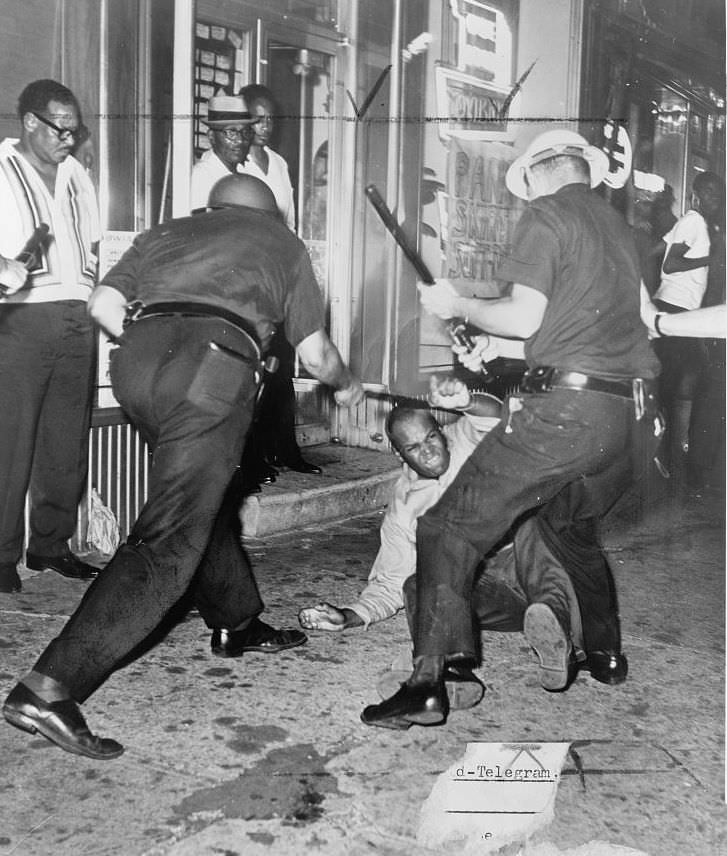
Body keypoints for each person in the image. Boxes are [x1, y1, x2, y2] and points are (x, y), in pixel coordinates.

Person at [2, 174, 364, 760]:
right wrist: (348, 389)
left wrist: (160, 349)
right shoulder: (283, 244)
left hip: (135, 365)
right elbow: (318, 354)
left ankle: (236, 620)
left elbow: (102, 304)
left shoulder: (165, 232)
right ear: (270, 216)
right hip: (212, 371)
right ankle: (50, 688)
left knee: (200, 497)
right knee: (171, 536)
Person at [360, 128, 661, 729]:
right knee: (568, 526)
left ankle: (431, 680)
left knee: (445, 526)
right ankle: (604, 654)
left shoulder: (547, 215)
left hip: (564, 415)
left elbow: (526, 314)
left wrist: (459, 305)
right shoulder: (619, 229)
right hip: (620, 420)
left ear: (544, 172)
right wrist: (491, 345)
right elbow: (620, 325)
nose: (525, 196)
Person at [300, 376, 627, 700]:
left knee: (532, 521)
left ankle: (555, 627)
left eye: (430, 438)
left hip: (535, 568)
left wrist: (467, 401)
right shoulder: (402, 508)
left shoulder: (469, 440)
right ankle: (455, 671)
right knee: (419, 583)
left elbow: (494, 415)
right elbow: (391, 582)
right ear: (399, 455)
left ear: (442, 432)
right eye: (413, 448)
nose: (428, 452)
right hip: (500, 598)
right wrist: (348, 615)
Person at [0, 79, 101, 594]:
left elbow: (94, 246)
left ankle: (50, 546)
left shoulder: (77, 174)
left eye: (74, 128)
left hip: (77, 317)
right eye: (59, 128)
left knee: (65, 442)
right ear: (30, 122)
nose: (68, 137)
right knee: (10, 443)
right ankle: (0, 557)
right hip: (19, 319)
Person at [238, 83, 322, 478]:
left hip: (281, 274)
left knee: (283, 369)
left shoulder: (279, 163)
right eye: (257, 117)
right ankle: (253, 459)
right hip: (251, 278)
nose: (265, 125)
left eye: (270, 118)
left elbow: (288, 222)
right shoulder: (233, 167)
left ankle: (286, 450)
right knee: (255, 369)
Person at [650, 171, 724, 480]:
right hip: (676, 309)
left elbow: (659, 253)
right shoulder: (694, 222)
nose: (714, 200)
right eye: (708, 193)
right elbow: (671, 263)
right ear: (695, 194)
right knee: (694, 379)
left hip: (675, 307)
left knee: (677, 382)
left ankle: (665, 448)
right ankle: (666, 450)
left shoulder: (691, 222)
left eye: (718, 195)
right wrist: (711, 259)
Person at [189, 94, 257, 213]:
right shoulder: (201, 176)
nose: (240, 140)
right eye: (231, 132)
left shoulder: (245, 171)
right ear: (211, 137)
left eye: (245, 132)